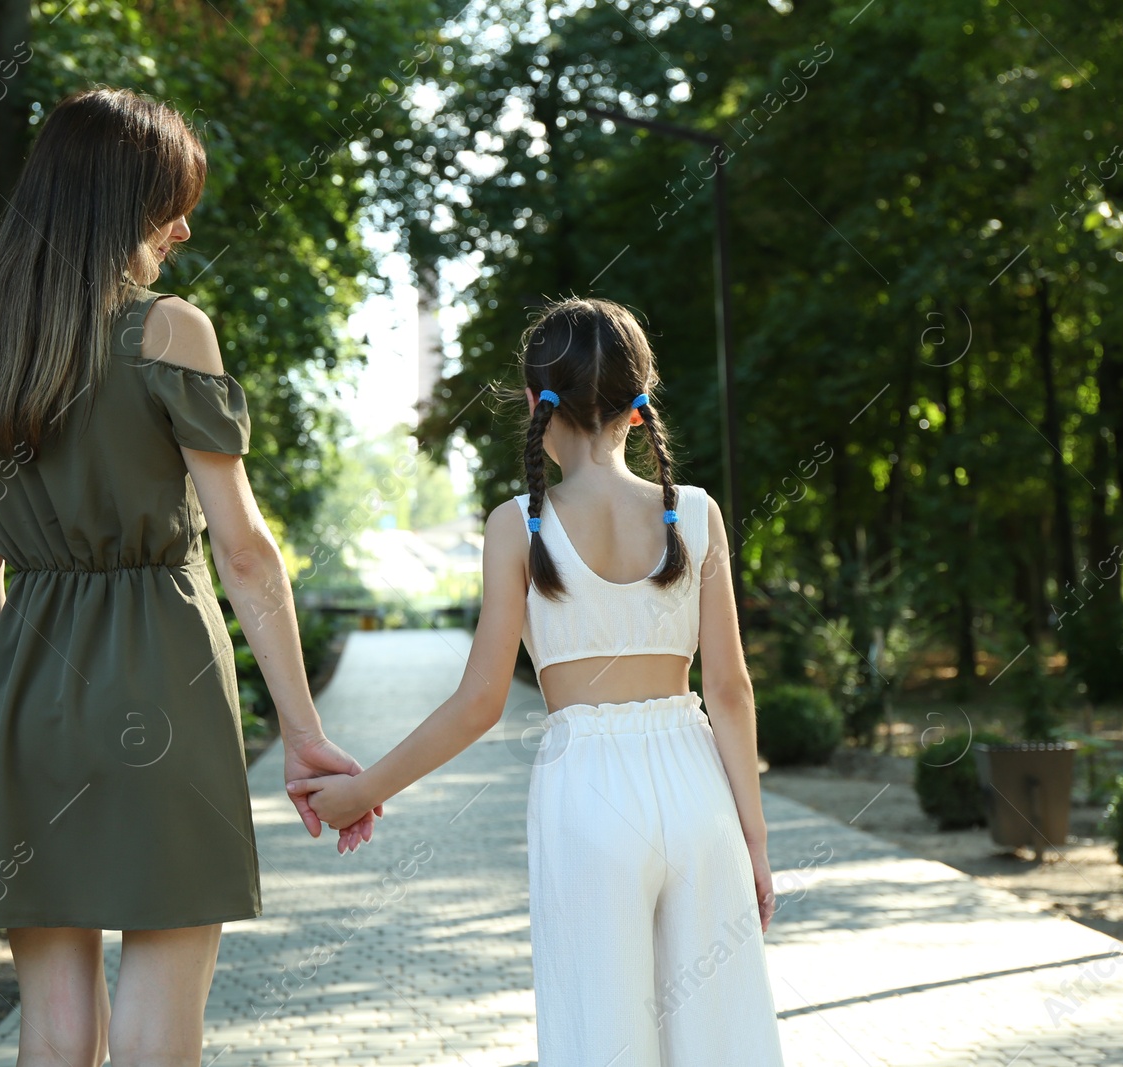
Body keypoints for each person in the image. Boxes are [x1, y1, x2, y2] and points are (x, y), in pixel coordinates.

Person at [0, 87, 375, 1067]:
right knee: (160, 1010)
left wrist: (13, 708)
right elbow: (245, 551)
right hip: (162, 686)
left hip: (28, 698)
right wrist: (302, 733)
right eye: (167, 201)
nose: (181, 225)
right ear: (113, 202)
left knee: (51, 1020)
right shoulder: (169, 329)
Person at [289, 298, 786, 1066]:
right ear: (640, 400)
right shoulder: (695, 512)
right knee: (718, 1040)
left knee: (603, 1039)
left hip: (588, 794)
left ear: (534, 401)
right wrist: (753, 838)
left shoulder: (517, 524)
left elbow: (479, 701)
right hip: (698, 792)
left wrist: (361, 790)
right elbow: (730, 689)